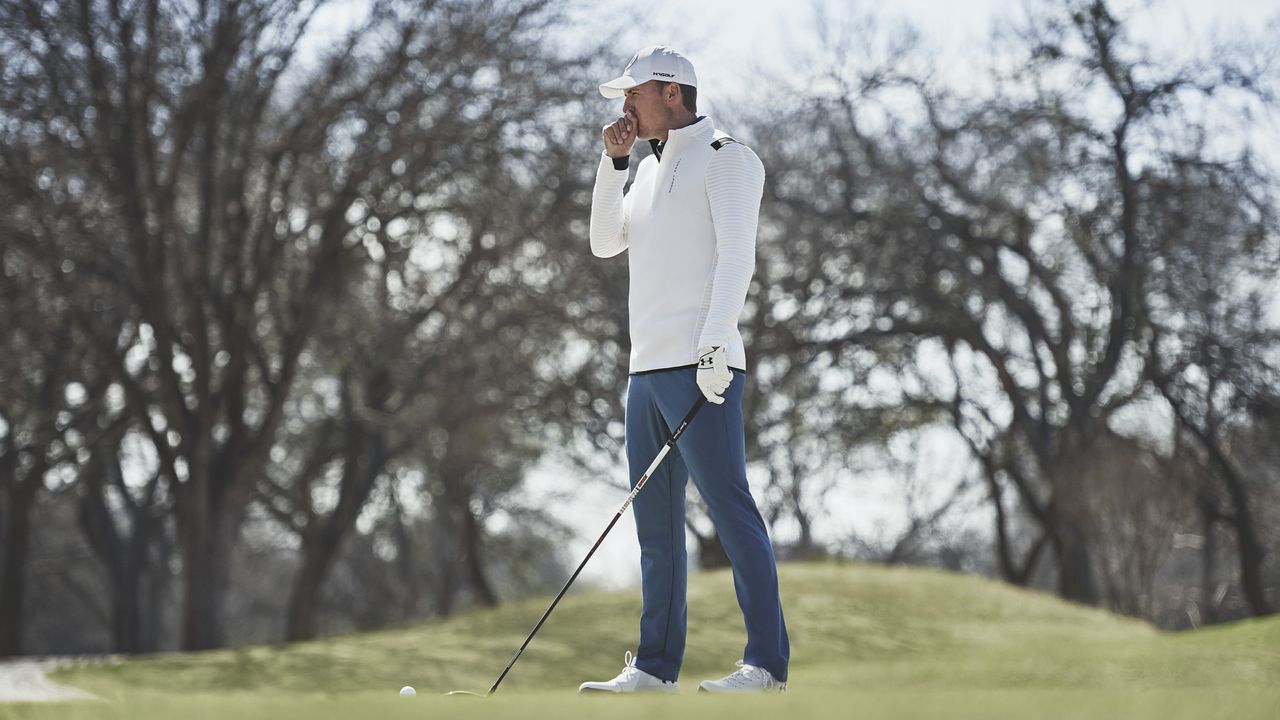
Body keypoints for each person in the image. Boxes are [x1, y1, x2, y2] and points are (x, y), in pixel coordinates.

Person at [577, 45, 789, 695]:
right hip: (645, 370)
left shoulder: (729, 159)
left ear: (671, 93)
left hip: (702, 366)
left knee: (730, 509)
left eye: (633, 95)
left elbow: (737, 260)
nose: (624, 107)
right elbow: (604, 242)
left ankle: (766, 666)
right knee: (657, 528)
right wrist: (613, 164)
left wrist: (715, 347)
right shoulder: (641, 170)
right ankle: (654, 667)